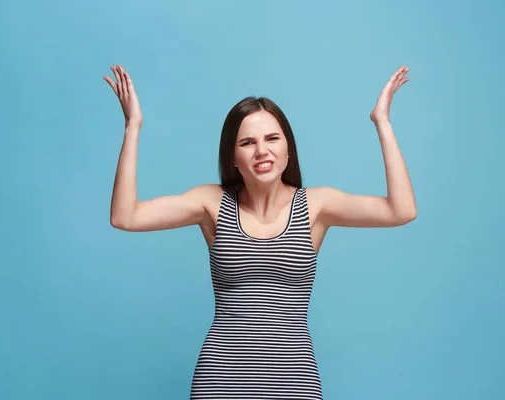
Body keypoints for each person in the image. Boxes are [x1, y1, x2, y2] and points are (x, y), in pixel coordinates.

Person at [104, 65, 416, 399]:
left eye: (272, 138)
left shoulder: (316, 206)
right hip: (220, 382)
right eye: (247, 142)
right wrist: (132, 125)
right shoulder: (212, 203)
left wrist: (381, 122)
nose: (261, 151)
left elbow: (401, 210)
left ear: (287, 148)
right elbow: (126, 216)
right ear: (234, 157)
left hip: (295, 383)